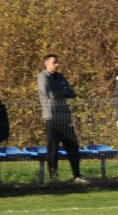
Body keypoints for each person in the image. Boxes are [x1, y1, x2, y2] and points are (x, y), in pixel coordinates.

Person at [37, 54, 88, 184]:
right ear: (47, 64)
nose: (57, 64)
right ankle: (53, 177)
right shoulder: (42, 77)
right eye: (54, 62)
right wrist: (64, 91)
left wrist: (63, 91)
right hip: (52, 118)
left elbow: (72, 92)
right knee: (53, 149)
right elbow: (51, 95)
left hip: (65, 117)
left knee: (72, 146)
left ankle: (77, 175)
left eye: (58, 62)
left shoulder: (60, 77)